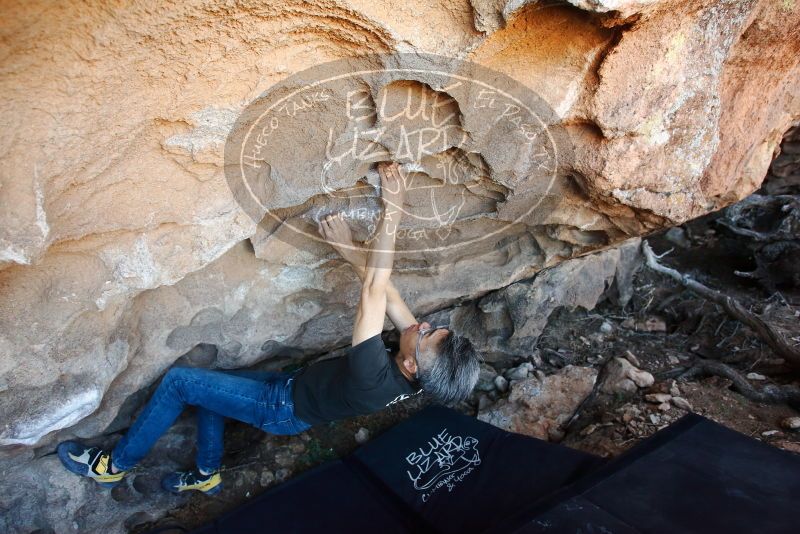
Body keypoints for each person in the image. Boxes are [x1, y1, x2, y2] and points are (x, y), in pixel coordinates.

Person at [56, 161, 481, 495]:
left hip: (279, 407)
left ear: (410, 363)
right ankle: (207, 473)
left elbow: (375, 286)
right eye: (434, 327)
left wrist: (394, 206)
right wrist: (349, 249)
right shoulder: (426, 373)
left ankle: (115, 466)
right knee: (212, 394)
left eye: (426, 334)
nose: (423, 324)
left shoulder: (375, 377)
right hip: (291, 392)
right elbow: (386, 293)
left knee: (180, 382)